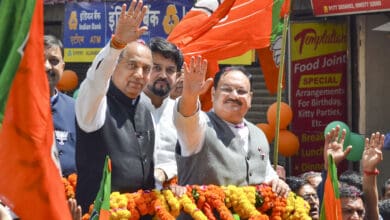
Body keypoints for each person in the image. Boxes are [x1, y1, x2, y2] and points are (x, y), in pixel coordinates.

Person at [75, 1, 153, 213]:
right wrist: (116, 45)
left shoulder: (145, 107)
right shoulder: (95, 103)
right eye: (132, 65)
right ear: (115, 65)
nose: (139, 74)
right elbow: (96, 79)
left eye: (146, 69)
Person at [173, 58, 290, 197]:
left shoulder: (258, 133)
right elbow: (187, 116)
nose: (234, 95)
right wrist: (190, 95)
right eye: (227, 89)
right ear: (213, 94)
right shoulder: (200, 127)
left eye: (241, 91)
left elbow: (265, 173)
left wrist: (276, 182)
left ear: (250, 98)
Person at [140, 37, 183, 187]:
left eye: (170, 70)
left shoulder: (182, 113)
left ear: (177, 76)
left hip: (173, 201)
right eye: (156, 68)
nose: (163, 75)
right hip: (126, 202)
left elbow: (192, 159)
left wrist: (166, 171)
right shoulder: (125, 108)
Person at [320, 126, 384, 220]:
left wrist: (369, 169)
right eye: (347, 211)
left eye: (360, 212)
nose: (355, 217)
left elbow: (372, 210)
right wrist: (330, 165)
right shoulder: (329, 214)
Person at [44, 35, 77, 177]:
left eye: (54, 61)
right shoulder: (10, 110)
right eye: (38, 60)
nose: (46, 66)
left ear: (62, 66)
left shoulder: (76, 110)